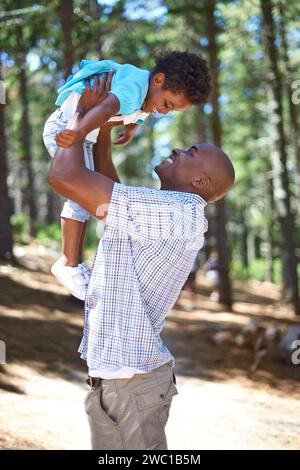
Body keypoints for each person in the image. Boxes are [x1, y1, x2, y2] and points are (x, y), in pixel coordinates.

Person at [47, 79, 235, 450]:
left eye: (191, 151)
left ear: (199, 180)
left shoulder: (176, 213)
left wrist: (81, 115)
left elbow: (64, 177)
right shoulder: (164, 211)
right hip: (118, 378)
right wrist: (103, 126)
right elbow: (103, 185)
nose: (179, 148)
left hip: (132, 382)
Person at [43, 51, 211, 300]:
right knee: (78, 197)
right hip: (66, 129)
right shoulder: (133, 88)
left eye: (171, 111)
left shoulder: (145, 94)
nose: (164, 112)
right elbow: (108, 108)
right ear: (158, 81)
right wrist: (78, 131)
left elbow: (137, 114)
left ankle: (73, 262)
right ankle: (68, 262)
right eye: (167, 104)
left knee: (88, 198)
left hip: (83, 135)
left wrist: (130, 129)